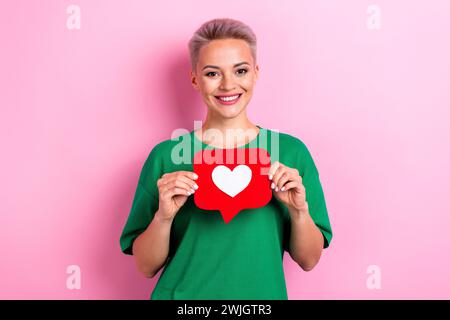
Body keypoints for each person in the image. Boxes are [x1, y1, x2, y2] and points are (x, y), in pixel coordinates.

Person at [120, 18, 333, 300]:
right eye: (212, 73)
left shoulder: (290, 153)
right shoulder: (167, 156)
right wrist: (163, 217)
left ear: (255, 73)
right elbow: (146, 267)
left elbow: (309, 260)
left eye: (240, 70)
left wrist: (299, 211)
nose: (228, 85)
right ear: (194, 78)